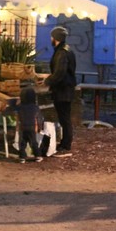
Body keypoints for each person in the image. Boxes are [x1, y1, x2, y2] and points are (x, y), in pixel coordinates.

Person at [45, 26, 77, 157]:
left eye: (52, 37)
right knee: (65, 117)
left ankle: (66, 144)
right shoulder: (67, 50)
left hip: (63, 89)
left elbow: (59, 73)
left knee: (64, 117)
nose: (51, 39)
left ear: (55, 38)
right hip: (66, 88)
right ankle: (65, 142)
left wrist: (47, 81)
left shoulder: (61, 53)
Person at [15, 87, 44, 163]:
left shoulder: (20, 107)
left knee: (22, 142)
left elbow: (18, 117)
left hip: (23, 126)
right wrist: (39, 127)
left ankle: (22, 157)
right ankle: (38, 156)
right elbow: (38, 118)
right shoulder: (35, 107)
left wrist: (17, 127)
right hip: (32, 126)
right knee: (33, 142)